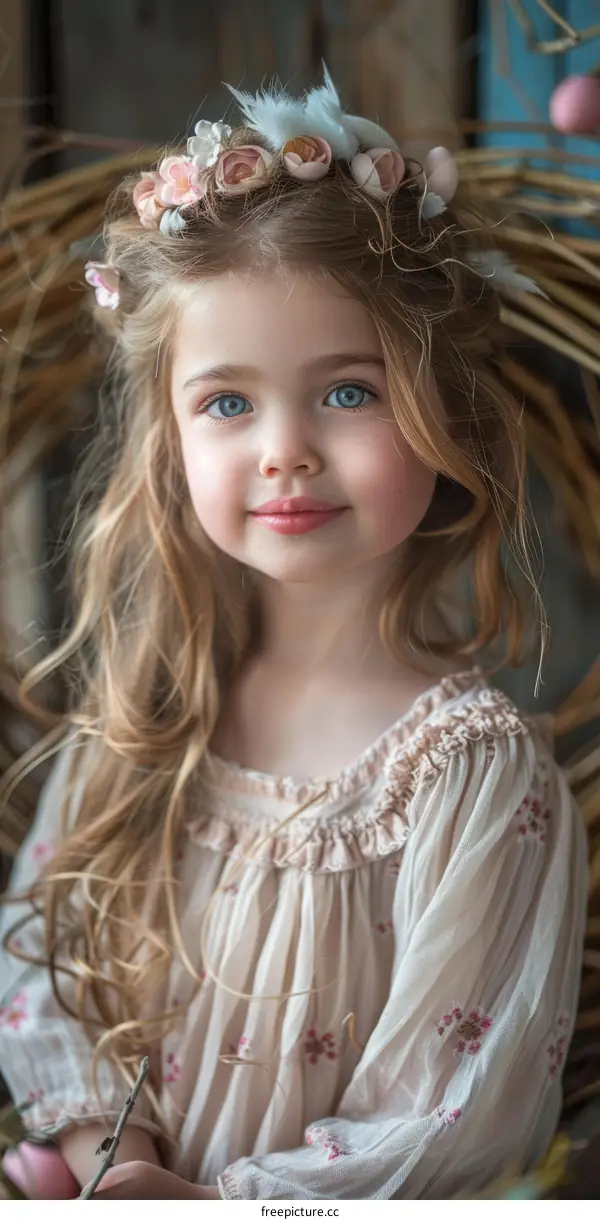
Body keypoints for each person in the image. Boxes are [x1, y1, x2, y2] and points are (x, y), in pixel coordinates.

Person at [0, 67, 588, 1200]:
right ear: (171, 440)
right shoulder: (151, 711)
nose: (285, 451)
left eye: (349, 392)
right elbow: (40, 954)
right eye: (228, 402)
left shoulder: (470, 776)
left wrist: (210, 1205)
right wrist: (112, 1156)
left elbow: (451, 1115)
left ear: (447, 412)